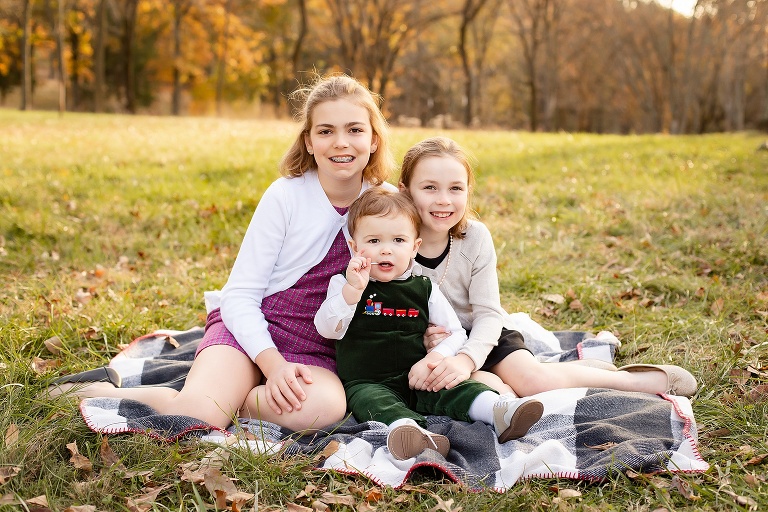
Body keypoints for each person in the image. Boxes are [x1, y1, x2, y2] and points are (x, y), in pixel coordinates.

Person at [49, 74, 398, 432]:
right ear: (308, 142)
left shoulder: (385, 203)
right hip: (254, 328)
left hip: (318, 348)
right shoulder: (286, 196)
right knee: (199, 414)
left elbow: (432, 239)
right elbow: (240, 296)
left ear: (373, 139)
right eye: (325, 131)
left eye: (355, 130)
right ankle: (100, 389)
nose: (341, 142)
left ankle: (239, 399)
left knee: (324, 409)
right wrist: (273, 366)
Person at [397, 137, 698, 398]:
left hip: (484, 334)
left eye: (455, 189)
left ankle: (630, 380)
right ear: (405, 191)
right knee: (488, 394)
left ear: (468, 190)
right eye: (430, 188)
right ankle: (525, 381)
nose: (444, 200)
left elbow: (488, 315)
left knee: (534, 383)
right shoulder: (391, 245)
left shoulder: (474, 238)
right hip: (435, 347)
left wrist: (466, 359)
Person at [314, 188, 543, 460]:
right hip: (367, 382)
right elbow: (326, 328)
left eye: (398, 240)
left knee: (456, 389)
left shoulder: (424, 288)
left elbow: (455, 332)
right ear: (354, 247)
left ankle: (499, 410)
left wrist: (434, 357)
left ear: (414, 247)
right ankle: (409, 432)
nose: (386, 249)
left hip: (418, 376)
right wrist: (352, 292)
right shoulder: (344, 285)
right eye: (374, 240)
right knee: (375, 403)